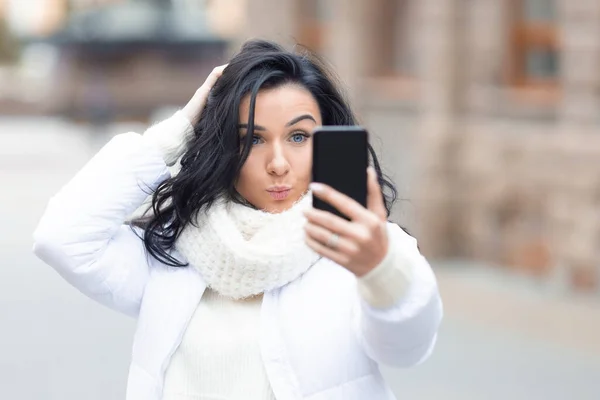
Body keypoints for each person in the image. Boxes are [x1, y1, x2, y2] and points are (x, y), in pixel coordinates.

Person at [33, 40, 443, 400]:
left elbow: (407, 348)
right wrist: (175, 133)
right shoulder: (175, 251)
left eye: (299, 137)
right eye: (252, 139)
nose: (278, 164)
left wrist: (380, 271)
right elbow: (63, 237)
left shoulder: (366, 247)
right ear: (224, 147)